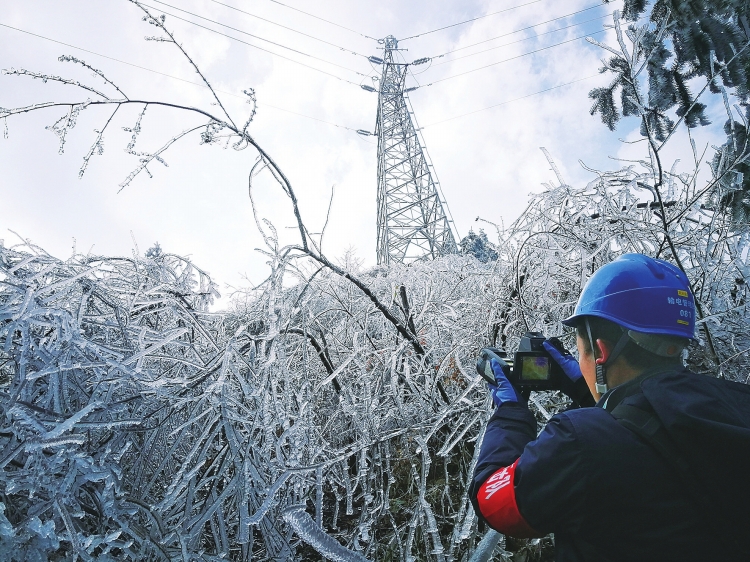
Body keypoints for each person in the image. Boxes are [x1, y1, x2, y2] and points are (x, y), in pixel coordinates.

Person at [470, 253, 750, 562]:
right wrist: (583, 387)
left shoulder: (577, 443)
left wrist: (510, 414)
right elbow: (648, 426)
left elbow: (493, 503)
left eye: (580, 352)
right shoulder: (735, 403)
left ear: (600, 352)